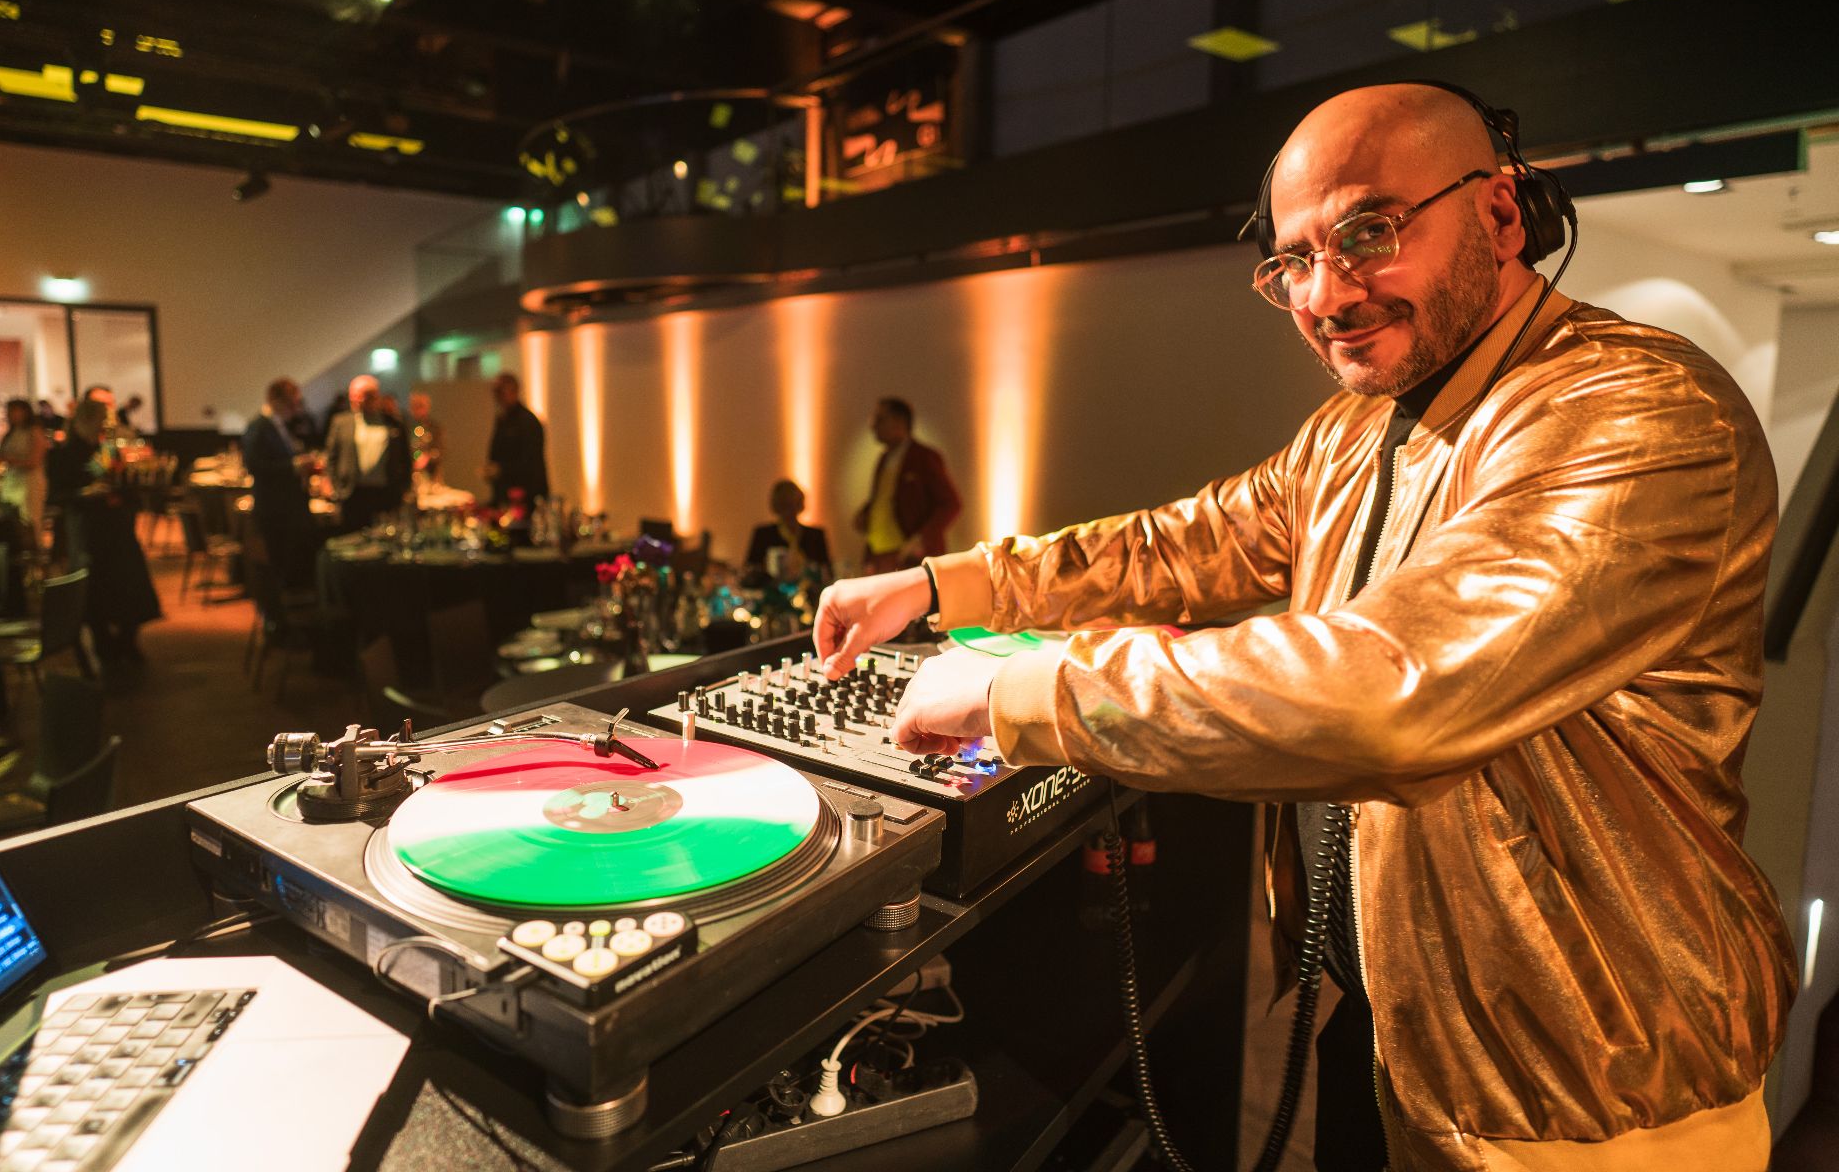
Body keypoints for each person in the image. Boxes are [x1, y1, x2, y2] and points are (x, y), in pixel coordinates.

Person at [812, 84, 1793, 1169]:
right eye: (1294, 261)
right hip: (1396, 1020)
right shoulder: (1353, 428)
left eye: (1371, 233)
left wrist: (1023, 692)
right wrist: (942, 585)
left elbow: (1395, 688)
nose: (1328, 294)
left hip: (1590, 1088)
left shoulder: (1639, 412)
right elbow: (1186, 543)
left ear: (1502, 214)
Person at [48, 398, 161, 665]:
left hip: (116, 527)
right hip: (88, 530)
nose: (103, 426)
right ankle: (105, 646)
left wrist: (122, 491)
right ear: (85, 421)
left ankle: (126, 642)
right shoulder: (63, 455)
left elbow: (120, 481)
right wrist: (84, 493)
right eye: (100, 420)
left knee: (129, 586)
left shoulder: (105, 449)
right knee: (96, 589)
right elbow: (57, 496)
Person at [853, 397, 960, 572]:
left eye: (880, 419)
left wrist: (921, 538)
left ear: (899, 422)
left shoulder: (923, 457)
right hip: (881, 553)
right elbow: (886, 498)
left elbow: (951, 504)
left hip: (909, 556)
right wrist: (866, 514)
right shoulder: (884, 459)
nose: (873, 426)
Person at [241, 378, 318, 590]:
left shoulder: (278, 425)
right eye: (292, 403)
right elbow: (254, 466)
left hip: (285, 507)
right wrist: (294, 465)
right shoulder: (259, 427)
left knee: (290, 562)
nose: (296, 409)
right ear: (276, 401)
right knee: (279, 564)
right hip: (275, 508)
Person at [323, 374, 408, 533]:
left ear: (376, 396)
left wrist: (404, 488)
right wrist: (336, 487)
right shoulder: (341, 422)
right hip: (352, 494)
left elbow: (406, 459)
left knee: (385, 537)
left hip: (385, 494)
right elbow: (331, 457)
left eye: (363, 396)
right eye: (354, 396)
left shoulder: (393, 423)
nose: (358, 400)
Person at [744, 479, 832, 584]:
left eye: (794, 504)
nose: (790, 510)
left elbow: (827, 571)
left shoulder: (815, 535)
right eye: (785, 505)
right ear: (777, 506)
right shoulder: (763, 535)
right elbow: (751, 570)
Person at [484, 372, 548, 509]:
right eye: (495, 392)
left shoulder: (527, 421)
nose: (497, 397)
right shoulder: (503, 419)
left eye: (500, 392)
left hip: (526, 496)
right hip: (507, 493)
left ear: (514, 391)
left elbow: (530, 462)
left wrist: (500, 469)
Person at [0, 398, 49, 547]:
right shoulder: (11, 433)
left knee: (31, 518)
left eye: (13, 411)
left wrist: (10, 461)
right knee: (14, 517)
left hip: (29, 481)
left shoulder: (34, 432)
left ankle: (35, 549)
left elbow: (35, 461)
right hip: (12, 480)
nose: (9, 414)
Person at [408, 390, 443, 480]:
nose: (418, 410)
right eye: (415, 406)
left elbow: (441, 450)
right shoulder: (406, 427)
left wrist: (427, 457)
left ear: (427, 407)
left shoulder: (434, 428)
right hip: (409, 474)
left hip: (430, 474)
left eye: (421, 406)